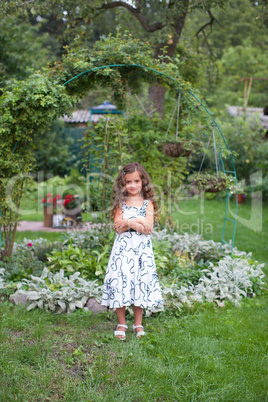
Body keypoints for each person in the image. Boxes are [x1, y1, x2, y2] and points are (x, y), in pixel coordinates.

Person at [101, 162, 163, 340]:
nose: (133, 185)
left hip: (141, 252)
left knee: (139, 282)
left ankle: (138, 323)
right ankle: (121, 322)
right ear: (123, 183)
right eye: (128, 182)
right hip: (123, 252)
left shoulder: (148, 204)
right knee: (121, 281)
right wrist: (137, 222)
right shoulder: (120, 204)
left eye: (137, 181)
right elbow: (118, 228)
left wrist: (129, 221)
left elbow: (148, 228)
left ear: (143, 181)